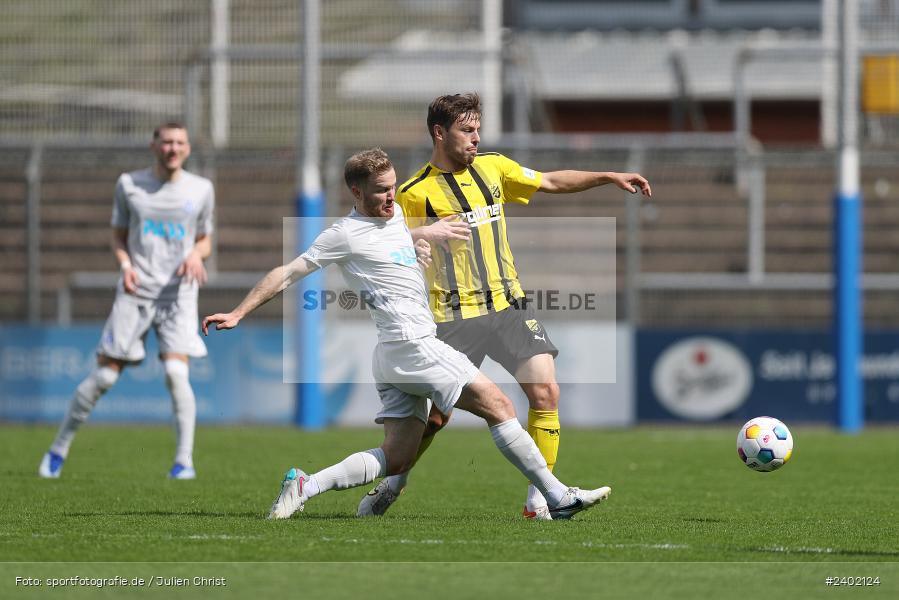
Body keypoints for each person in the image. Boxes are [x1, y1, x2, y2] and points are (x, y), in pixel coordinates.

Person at [201, 148, 610, 520]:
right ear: (355, 193)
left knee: (396, 459)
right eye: (380, 191)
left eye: (393, 187)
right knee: (499, 405)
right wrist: (239, 311)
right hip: (413, 344)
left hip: (394, 354)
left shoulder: (393, 217)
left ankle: (307, 484)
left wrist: (422, 241)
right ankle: (555, 498)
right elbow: (288, 272)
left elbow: (392, 241)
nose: (391, 197)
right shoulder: (343, 234)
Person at [357, 93, 651, 520]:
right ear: (440, 133)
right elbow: (385, 246)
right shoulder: (411, 193)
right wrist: (417, 245)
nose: (476, 138)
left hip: (508, 305)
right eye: (467, 130)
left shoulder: (495, 168)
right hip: (453, 317)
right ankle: (391, 484)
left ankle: (541, 499)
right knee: (435, 421)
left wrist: (607, 175)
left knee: (546, 390)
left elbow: (550, 181)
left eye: (478, 129)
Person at [38, 122, 214, 481]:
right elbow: (118, 237)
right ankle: (58, 449)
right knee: (103, 376)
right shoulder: (129, 184)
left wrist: (197, 254)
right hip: (136, 292)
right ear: (154, 145)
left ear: (188, 148)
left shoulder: (202, 188)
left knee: (176, 374)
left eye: (179, 142)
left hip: (178, 293)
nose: (173, 148)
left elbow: (205, 239)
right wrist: (125, 265)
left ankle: (184, 462)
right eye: (166, 142)